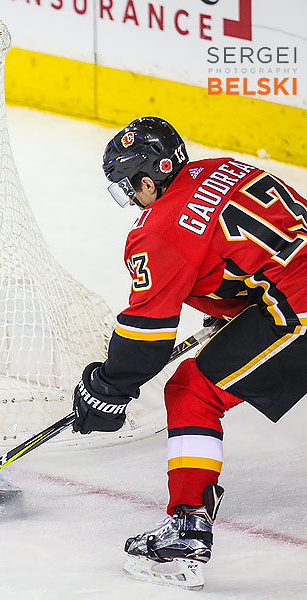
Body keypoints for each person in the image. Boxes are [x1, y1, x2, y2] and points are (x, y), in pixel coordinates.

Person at [71, 116, 307, 589]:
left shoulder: (158, 230)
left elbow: (147, 333)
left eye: (128, 187)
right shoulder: (225, 169)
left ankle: (185, 530)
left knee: (192, 391)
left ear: (148, 178)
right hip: (288, 292)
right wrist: (239, 307)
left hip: (298, 307)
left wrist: (109, 389)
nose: (130, 199)